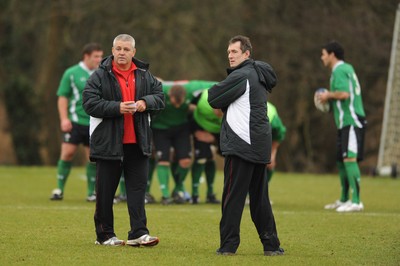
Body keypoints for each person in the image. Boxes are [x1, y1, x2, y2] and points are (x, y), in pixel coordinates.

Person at [82, 34, 164, 246]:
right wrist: (116, 107)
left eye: (126, 49)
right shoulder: (100, 75)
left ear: (133, 52)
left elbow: (159, 97)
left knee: (137, 191)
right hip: (108, 143)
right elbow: (89, 103)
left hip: (138, 143)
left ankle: (138, 233)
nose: (121, 52)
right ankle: (105, 235)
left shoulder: (145, 75)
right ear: (112, 50)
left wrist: (146, 102)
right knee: (105, 193)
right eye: (118, 48)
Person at [208, 35, 284, 256]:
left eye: (234, 52)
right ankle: (271, 246)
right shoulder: (258, 74)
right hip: (259, 145)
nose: (230, 56)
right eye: (229, 52)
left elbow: (213, 97)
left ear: (247, 54)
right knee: (259, 199)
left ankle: (228, 247)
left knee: (232, 198)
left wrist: (225, 100)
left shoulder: (242, 75)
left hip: (241, 145)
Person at [50, 43, 103, 202]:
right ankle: (59, 189)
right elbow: (63, 97)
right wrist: (64, 118)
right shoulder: (71, 73)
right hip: (74, 122)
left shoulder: (102, 74)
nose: (99, 59)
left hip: (94, 122)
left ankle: (90, 193)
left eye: (101, 56)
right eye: (96, 56)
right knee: (67, 153)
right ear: (86, 56)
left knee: (92, 158)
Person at [319, 41, 366, 213]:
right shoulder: (344, 69)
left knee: (349, 159)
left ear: (332, 54)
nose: (322, 57)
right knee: (341, 160)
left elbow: (344, 94)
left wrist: (327, 95)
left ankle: (357, 201)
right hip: (344, 122)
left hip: (351, 120)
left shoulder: (339, 70)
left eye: (323, 53)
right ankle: (345, 198)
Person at [190, 87, 222, 204]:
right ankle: (195, 194)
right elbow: (190, 112)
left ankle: (210, 193)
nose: (219, 113)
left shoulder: (233, 109)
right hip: (200, 129)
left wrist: (214, 138)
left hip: (219, 134)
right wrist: (195, 131)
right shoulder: (203, 102)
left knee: (213, 157)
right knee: (202, 158)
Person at [266, 102, 286, 184]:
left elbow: (280, 134)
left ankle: (263, 192)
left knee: (269, 162)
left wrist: (272, 152)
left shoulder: (273, 121)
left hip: (268, 137)